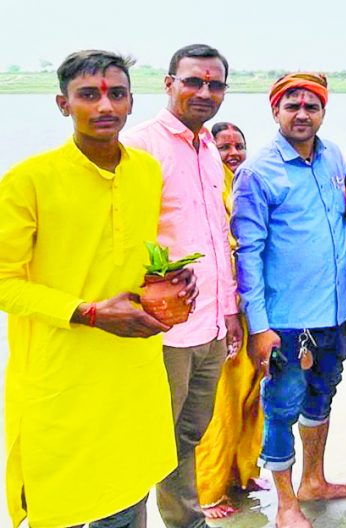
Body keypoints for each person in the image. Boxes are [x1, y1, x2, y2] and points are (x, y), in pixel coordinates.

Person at [0, 49, 197, 528]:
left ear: (131, 102)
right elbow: (5, 282)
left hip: (133, 371)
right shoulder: (28, 181)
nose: (105, 106)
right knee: (60, 504)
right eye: (88, 95)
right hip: (61, 375)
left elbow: (129, 252)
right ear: (63, 104)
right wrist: (87, 312)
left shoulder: (146, 171)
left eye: (117, 94)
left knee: (127, 499)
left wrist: (170, 277)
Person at [231, 72, 346, 528]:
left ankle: (314, 481)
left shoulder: (333, 158)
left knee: (322, 395)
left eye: (312, 107)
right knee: (281, 407)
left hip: (334, 312)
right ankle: (286, 504)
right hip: (285, 320)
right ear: (275, 112)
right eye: (293, 107)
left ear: (324, 112)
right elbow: (248, 255)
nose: (302, 115)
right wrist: (259, 327)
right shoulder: (257, 172)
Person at [121, 44, 241, 528]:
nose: (204, 92)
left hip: (210, 324)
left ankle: (185, 521)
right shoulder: (140, 145)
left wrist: (229, 311)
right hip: (163, 329)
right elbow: (121, 237)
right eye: (193, 81)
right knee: (146, 439)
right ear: (169, 83)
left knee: (188, 434)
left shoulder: (208, 148)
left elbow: (217, 234)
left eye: (215, 84)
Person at [195, 119, 266, 520]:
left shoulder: (246, 185)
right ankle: (208, 490)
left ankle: (243, 472)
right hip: (221, 310)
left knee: (251, 396)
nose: (234, 153)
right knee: (222, 401)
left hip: (252, 306)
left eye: (239, 145)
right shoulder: (208, 188)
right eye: (224, 147)